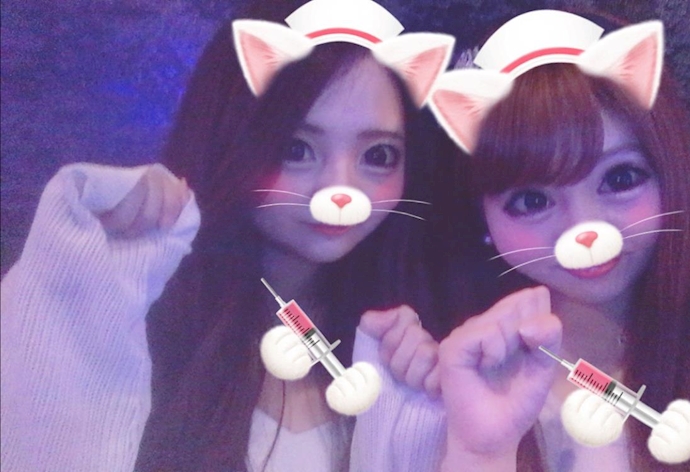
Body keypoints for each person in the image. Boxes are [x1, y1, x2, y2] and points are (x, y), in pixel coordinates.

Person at [0, 0, 457, 470]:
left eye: (379, 155)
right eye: (296, 148)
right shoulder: (145, 320)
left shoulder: (411, 343)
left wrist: (427, 412)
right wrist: (87, 270)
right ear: (228, 139)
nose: (341, 189)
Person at [425, 9, 690, 472]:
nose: (584, 229)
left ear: (668, 170)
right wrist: (481, 454)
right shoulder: (467, 393)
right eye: (531, 201)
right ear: (481, 216)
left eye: (620, 178)